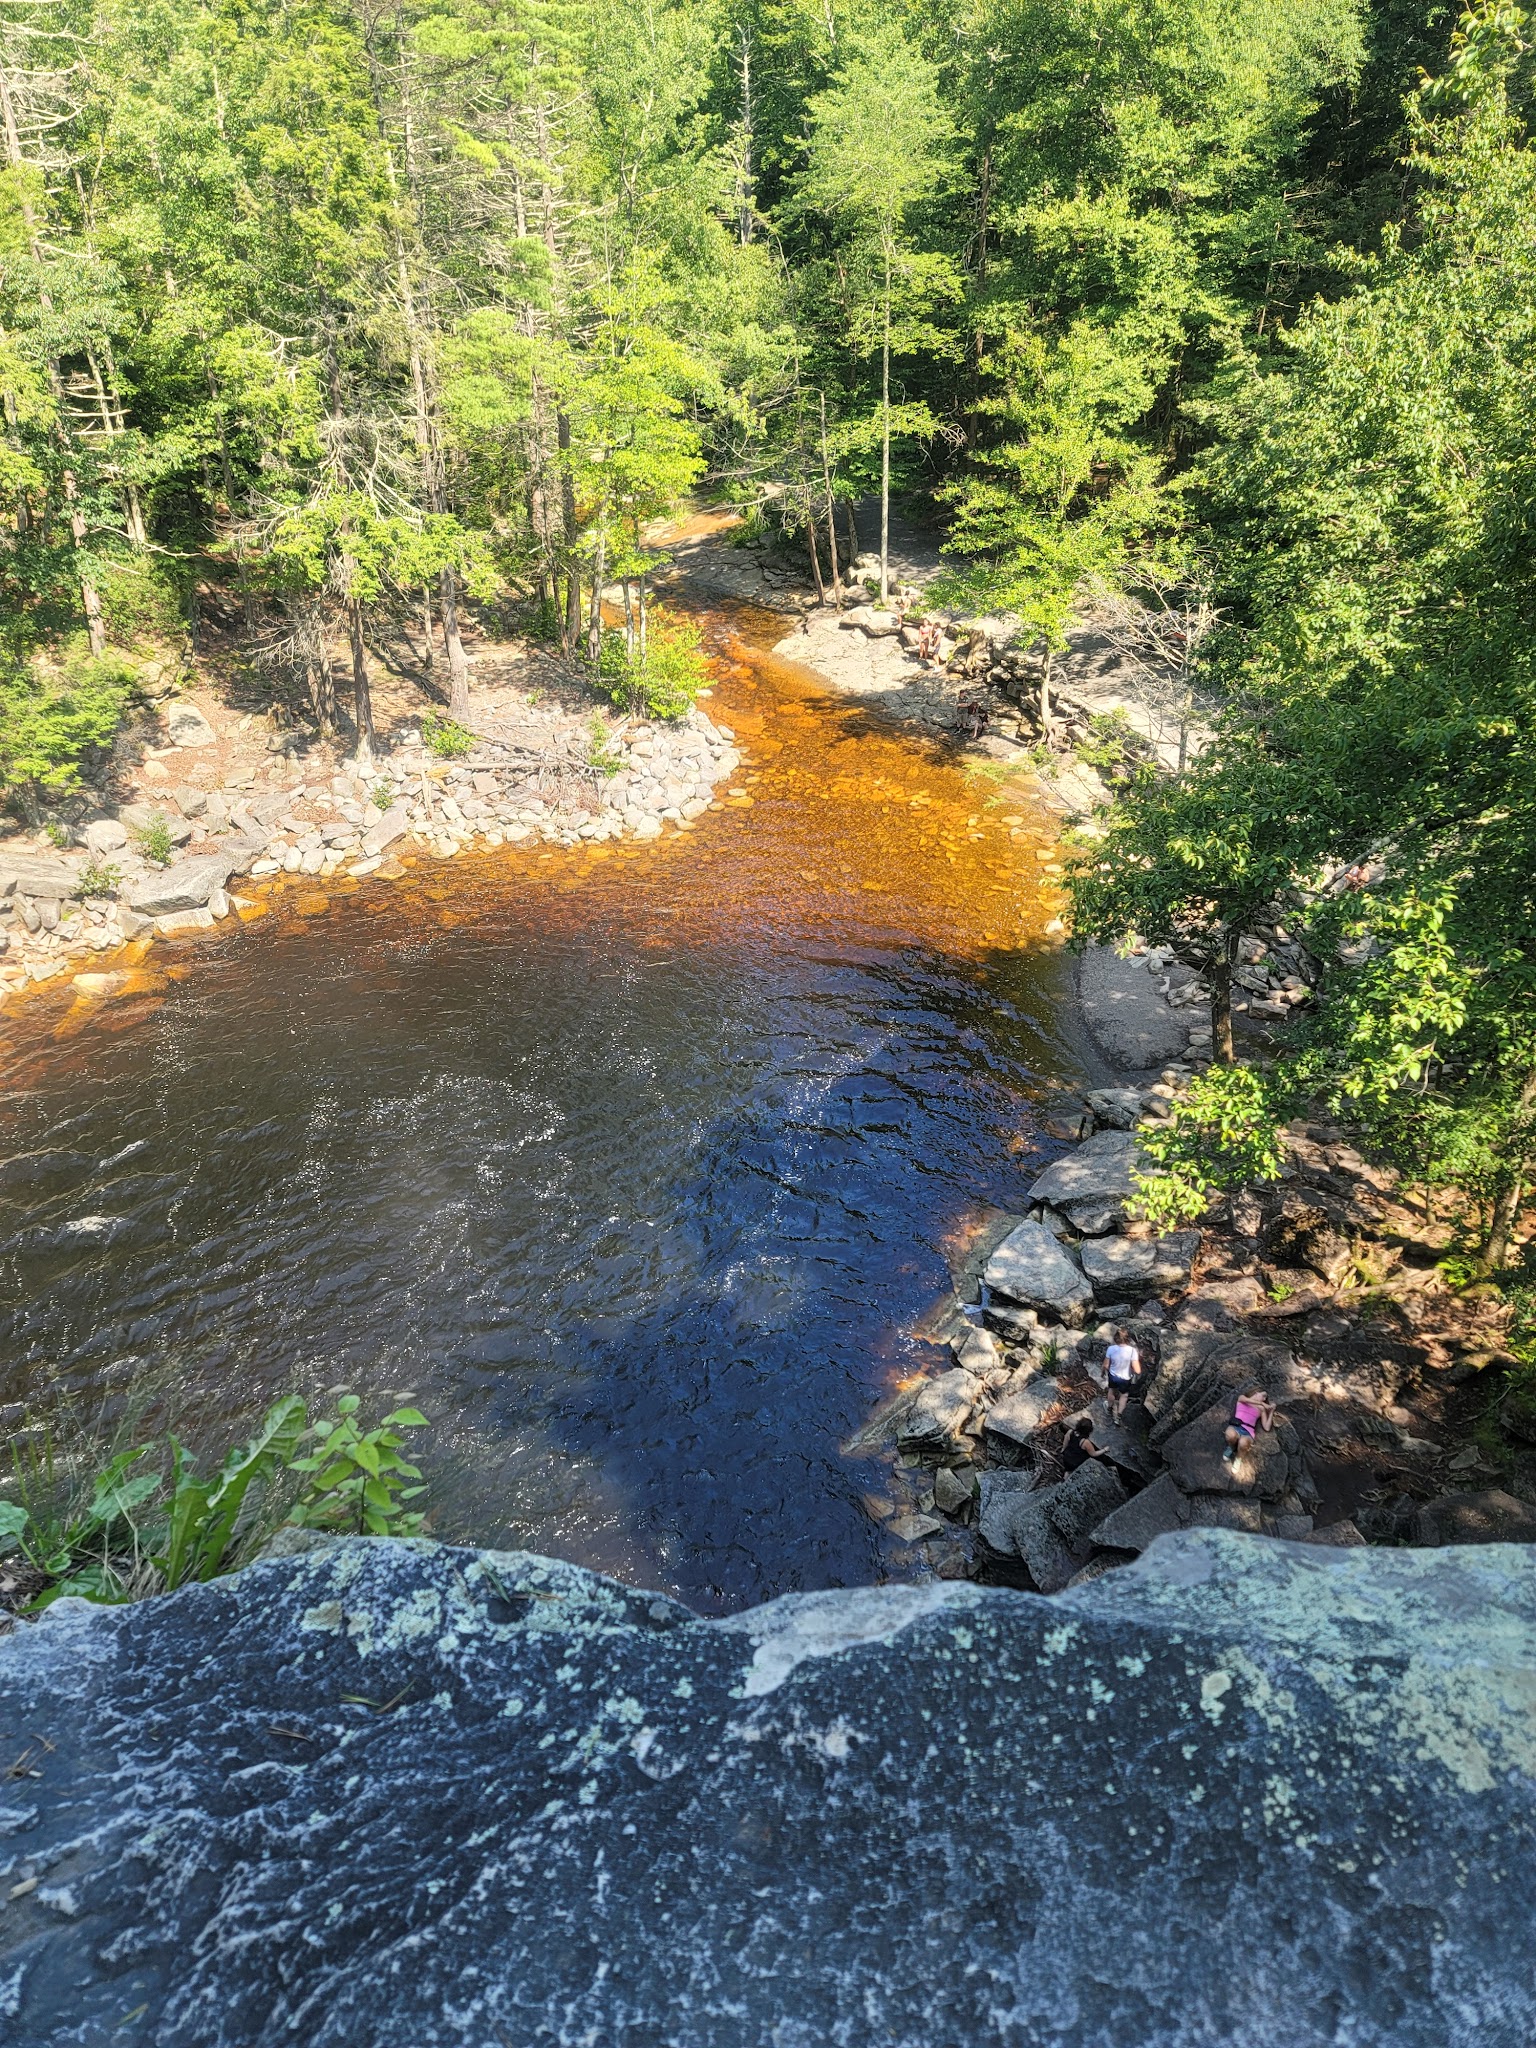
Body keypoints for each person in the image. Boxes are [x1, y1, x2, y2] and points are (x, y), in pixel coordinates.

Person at [1223, 1385, 1277, 1463]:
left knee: (1243, 1443)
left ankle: (1239, 1458)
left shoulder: (1261, 1408)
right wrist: (1262, 1403)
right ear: (1256, 1393)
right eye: (1263, 1395)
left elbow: (1267, 1427)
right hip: (1236, 1426)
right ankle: (1231, 1447)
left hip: (1248, 1432)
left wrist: (1271, 1411)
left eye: (1265, 1398)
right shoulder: (1242, 1398)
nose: (1264, 1399)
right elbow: (1246, 1400)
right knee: (1230, 1434)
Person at [1103, 1327, 1143, 1421]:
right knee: (1124, 1395)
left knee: (1111, 1390)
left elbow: (1105, 1365)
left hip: (1113, 1375)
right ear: (1128, 1339)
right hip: (1125, 1378)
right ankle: (1118, 1416)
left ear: (1116, 1338)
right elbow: (1137, 1370)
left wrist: (1102, 1372)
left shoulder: (1111, 1349)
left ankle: (1109, 1408)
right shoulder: (1132, 1351)